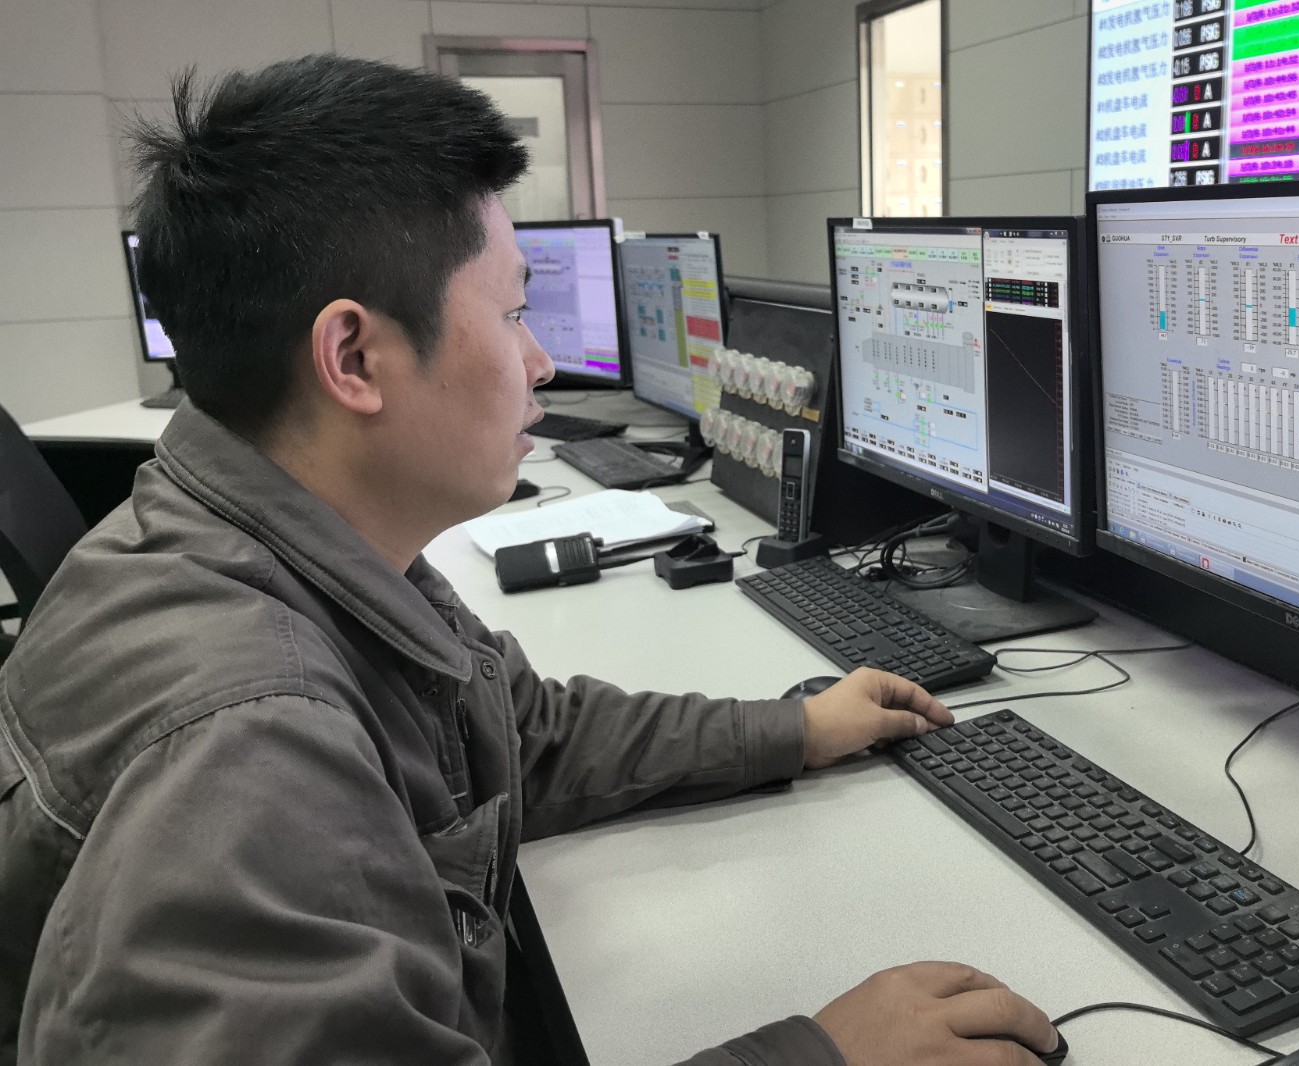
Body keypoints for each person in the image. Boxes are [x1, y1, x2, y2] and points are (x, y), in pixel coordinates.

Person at [0, 54, 1060, 1065]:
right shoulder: (251, 752)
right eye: (511, 313)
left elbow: (521, 735)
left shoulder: (295, 546)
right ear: (353, 357)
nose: (541, 360)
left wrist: (797, 727)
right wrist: (824, 1056)